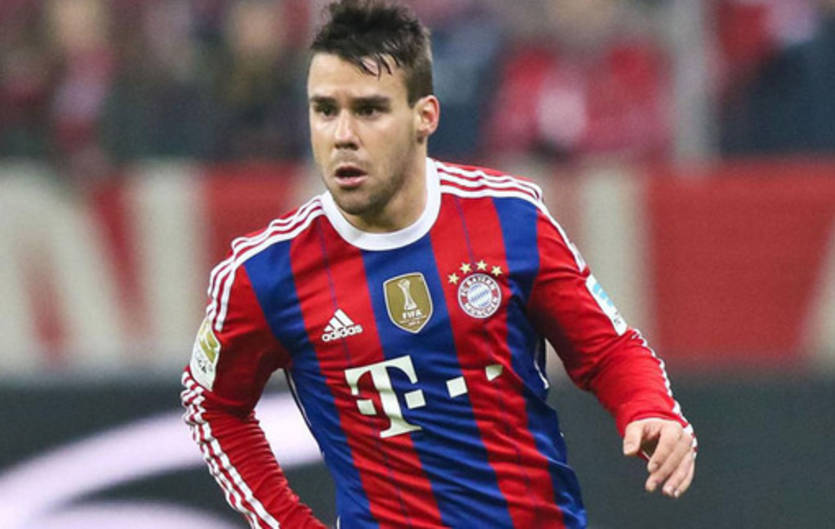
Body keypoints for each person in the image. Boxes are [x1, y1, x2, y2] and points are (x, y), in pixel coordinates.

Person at [180, 1, 697, 528]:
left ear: (424, 116)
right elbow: (212, 404)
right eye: (325, 110)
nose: (342, 135)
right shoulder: (264, 273)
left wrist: (649, 407)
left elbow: (608, 349)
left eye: (369, 110)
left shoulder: (510, 218)